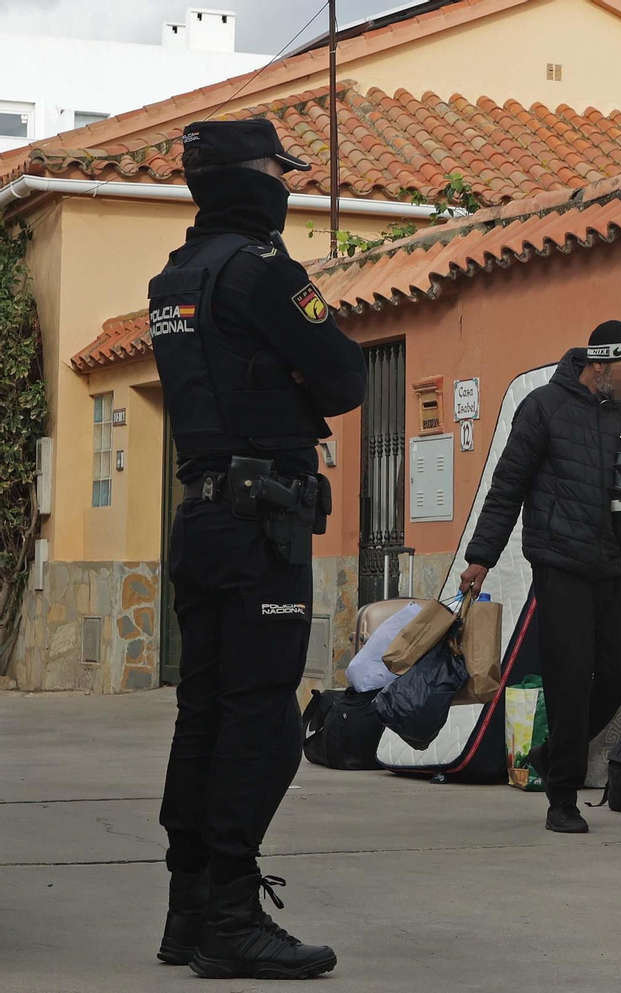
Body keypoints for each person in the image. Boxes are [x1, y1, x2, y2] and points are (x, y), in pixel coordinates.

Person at [151, 120, 364, 979]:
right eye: (282, 170)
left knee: (202, 714)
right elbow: (347, 377)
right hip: (256, 524)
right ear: (255, 177)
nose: (288, 184)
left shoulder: (173, 280)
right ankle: (232, 915)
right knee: (264, 721)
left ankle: (188, 908)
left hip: (199, 522)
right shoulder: (261, 270)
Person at [458, 321, 621, 834]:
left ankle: (549, 755)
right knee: (568, 681)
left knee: (619, 675)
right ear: (600, 363)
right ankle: (561, 798)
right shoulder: (543, 408)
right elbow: (507, 487)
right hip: (559, 562)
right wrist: (481, 556)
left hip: (609, 564)